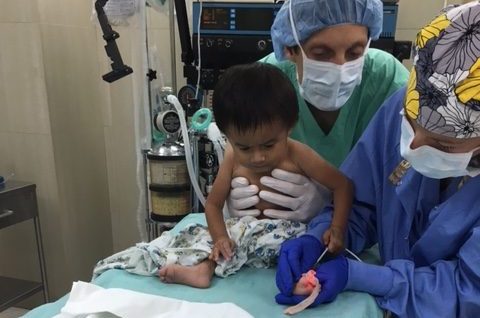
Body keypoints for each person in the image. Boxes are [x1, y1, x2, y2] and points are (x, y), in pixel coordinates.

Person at [274, 3, 480, 317]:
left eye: (443, 144)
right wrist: (324, 236)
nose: (413, 146)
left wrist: (364, 277)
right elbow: (361, 203)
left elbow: (467, 291)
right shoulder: (402, 101)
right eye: (409, 123)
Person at [156, 63, 353, 288]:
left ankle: (300, 281)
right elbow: (212, 205)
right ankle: (203, 269)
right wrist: (221, 237)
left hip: (287, 238)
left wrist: (337, 228)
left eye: (269, 145)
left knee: (311, 251)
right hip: (242, 239)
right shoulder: (231, 158)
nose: (258, 157)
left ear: (290, 126)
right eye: (245, 148)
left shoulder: (298, 155)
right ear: (227, 135)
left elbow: (342, 185)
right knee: (206, 237)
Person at [227, 0, 410, 222]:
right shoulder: (265, 83)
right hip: (278, 230)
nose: (340, 67)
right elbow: (237, 150)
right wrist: (231, 198)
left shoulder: (387, 80)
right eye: (322, 53)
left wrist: (331, 204)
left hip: (364, 240)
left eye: (354, 53)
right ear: (290, 49)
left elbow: (407, 182)